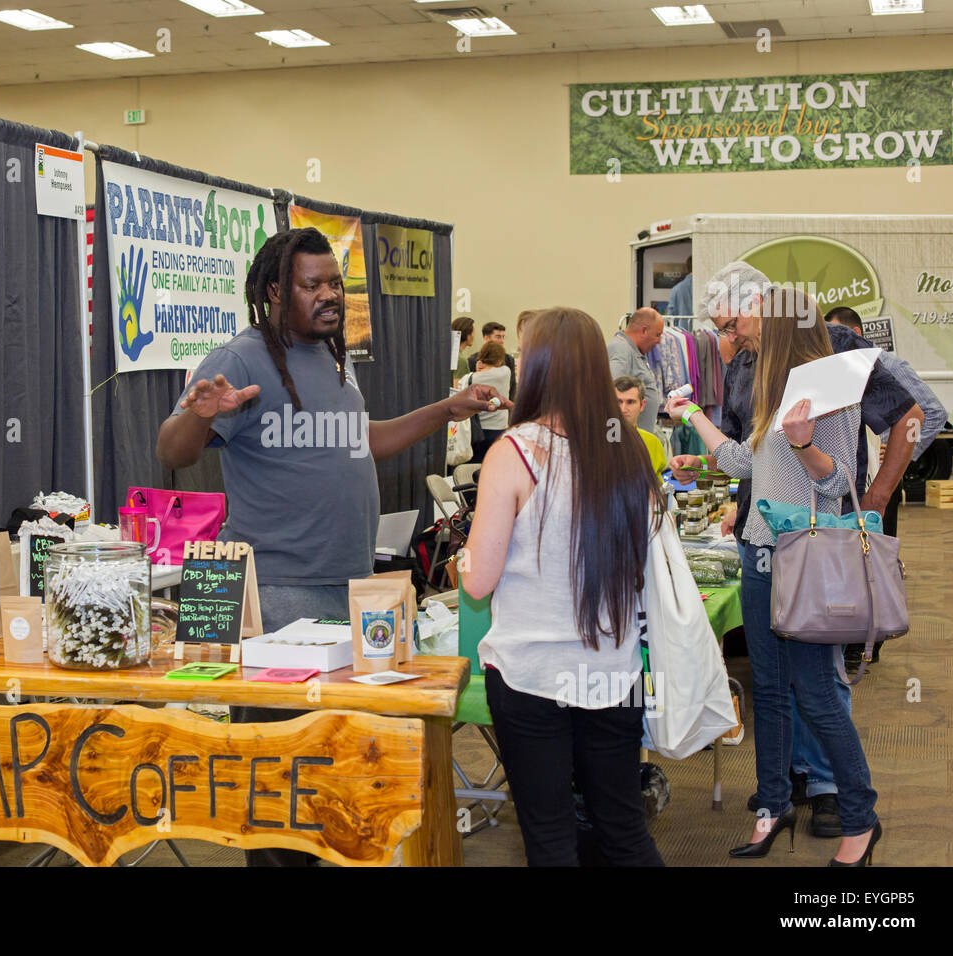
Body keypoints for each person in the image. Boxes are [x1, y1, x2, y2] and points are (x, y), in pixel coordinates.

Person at [155, 227, 505, 866]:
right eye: (311, 285)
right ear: (274, 290)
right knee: (279, 778)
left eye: (335, 284)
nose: (329, 296)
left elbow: (363, 442)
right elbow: (172, 452)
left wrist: (445, 410)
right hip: (276, 591)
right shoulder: (242, 359)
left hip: (343, 585)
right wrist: (198, 415)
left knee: (326, 767)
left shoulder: (334, 359)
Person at [671, 262, 923, 835]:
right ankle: (776, 799)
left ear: (769, 318)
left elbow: (836, 480)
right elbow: (745, 461)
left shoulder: (831, 381)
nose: (734, 338)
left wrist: (861, 489)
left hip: (807, 554)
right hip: (764, 551)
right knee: (772, 688)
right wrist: (696, 422)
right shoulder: (762, 378)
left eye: (736, 325)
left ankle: (850, 805)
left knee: (817, 690)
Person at [462, 307, 664, 868]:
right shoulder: (627, 446)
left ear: (538, 367)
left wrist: (464, 556)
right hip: (614, 670)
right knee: (624, 829)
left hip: (532, 675)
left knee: (549, 836)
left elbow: (477, 581)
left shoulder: (515, 452)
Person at [825, 305, 946, 541]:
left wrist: (898, 451)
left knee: (879, 548)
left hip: (879, 478)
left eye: (836, 333)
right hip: (854, 480)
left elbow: (933, 413)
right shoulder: (840, 366)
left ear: (855, 333)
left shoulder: (889, 365)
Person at [607, 308, 664, 433]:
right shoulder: (621, 350)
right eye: (657, 335)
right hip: (627, 439)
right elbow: (612, 395)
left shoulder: (632, 351)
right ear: (644, 330)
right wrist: (615, 437)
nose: (659, 341)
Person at [458, 341, 513, 463]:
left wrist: (477, 371)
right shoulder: (505, 372)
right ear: (499, 360)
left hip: (475, 432)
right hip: (498, 429)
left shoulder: (468, 378)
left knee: (474, 467)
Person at [614, 375, 665, 477]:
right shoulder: (596, 442)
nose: (623, 409)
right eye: (618, 402)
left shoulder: (653, 443)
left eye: (630, 402)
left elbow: (656, 484)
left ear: (642, 405)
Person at [467, 321, 518, 401]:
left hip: (503, 405)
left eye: (503, 337)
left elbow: (512, 388)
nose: (502, 341)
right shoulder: (473, 360)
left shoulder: (509, 360)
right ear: (486, 338)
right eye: (498, 337)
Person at [452, 315, 476, 383]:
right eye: (473, 332)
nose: (474, 336)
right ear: (467, 334)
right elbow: (458, 388)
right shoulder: (461, 360)